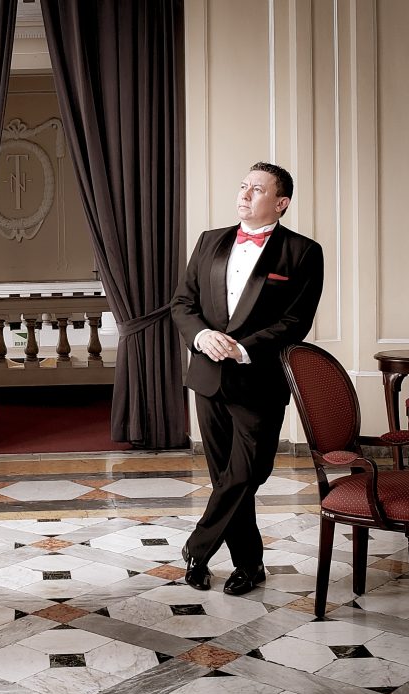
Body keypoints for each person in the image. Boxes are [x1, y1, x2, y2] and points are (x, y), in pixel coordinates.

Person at [170, 162, 324, 596]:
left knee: (246, 474)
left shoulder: (303, 252)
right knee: (226, 478)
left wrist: (242, 348)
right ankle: (249, 565)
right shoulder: (209, 241)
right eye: (243, 186)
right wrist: (202, 336)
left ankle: (198, 548)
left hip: (260, 382)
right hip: (207, 376)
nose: (244, 194)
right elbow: (183, 304)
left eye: (256, 189)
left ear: (281, 202)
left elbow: (296, 320)